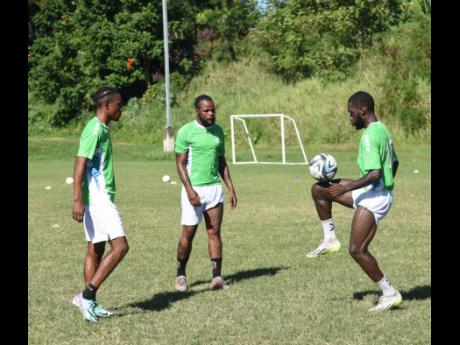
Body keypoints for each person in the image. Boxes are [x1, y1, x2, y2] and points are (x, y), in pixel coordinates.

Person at [306, 91, 402, 312]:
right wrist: (386, 185)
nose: (350, 118)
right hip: (374, 191)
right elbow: (394, 163)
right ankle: (330, 239)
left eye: (351, 114)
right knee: (320, 190)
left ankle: (389, 293)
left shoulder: (369, 136)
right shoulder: (382, 129)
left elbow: (375, 173)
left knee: (357, 250)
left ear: (362, 110)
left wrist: (347, 187)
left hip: (374, 197)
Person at [71, 86, 129, 322]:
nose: (121, 108)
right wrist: (77, 199)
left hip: (97, 198)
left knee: (96, 249)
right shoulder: (94, 129)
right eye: (119, 104)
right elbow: (79, 163)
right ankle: (86, 295)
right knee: (121, 247)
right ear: (107, 106)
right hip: (98, 199)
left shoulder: (102, 129)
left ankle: (89, 304)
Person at [174, 95, 237, 292]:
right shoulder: (186, 131)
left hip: (214, 189)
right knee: (188, 234)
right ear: (197, 111)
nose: (211, 114)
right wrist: (190, 190)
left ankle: (217, 277)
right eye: (206, 111)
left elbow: (221, 162)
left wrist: (230, 187)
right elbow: (180, 163)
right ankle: (181, 275)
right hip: (194, 190)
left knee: (214, 232)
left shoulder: (218, 131)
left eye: (213, 110)